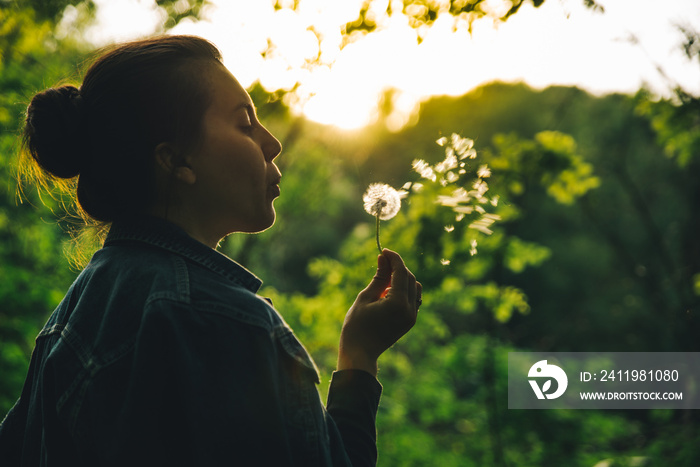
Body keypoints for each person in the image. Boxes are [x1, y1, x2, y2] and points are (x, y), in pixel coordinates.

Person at [0, 35, 422, 466]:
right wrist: (360, 355)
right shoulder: (228, 325)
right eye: (244, 124)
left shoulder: (69, 318)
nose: (273, 143)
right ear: (176, 161)